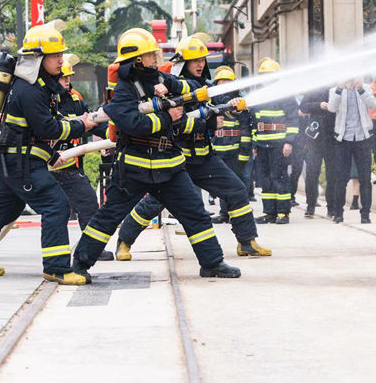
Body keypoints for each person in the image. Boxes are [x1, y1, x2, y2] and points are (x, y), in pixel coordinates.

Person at [72, 30, 240, 278]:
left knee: (195, 213)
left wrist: (171, 84)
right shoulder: (124, 90)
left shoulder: (161, 79)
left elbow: (195, 87)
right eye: (150, 54)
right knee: (108, 217)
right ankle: (80, 265)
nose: (155, 57)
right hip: (135, 169)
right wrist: (166, 117)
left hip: (170, 165)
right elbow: (131, 124)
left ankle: (212, 263)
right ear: (138, 60)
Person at [0, 21, 98, 285]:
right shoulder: (30, 88)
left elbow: (34, 130)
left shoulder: (37, 85)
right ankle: (57, 267)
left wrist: (52, 152)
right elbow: (46, 128)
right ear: (39, 57)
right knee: (56, 205)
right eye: (56, 55)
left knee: (2, 211)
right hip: (20, 163)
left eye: (61, 54)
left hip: (15, 159)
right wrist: (80, 125)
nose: (62, 60)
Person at [113, 38, 270, 259]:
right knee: (154, 203)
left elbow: (212, 108)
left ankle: (247, 241)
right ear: (183, 63)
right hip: (179, 160)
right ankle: (124, 242)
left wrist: (230, 109)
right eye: (194, 60)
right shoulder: (170, 87)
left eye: (202, 60)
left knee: (236, 190)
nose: (199, 64)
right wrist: (210, 123)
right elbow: (176, 122)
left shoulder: (203, 86)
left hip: (204, 157)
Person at [51, 54, 113, 260]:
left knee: (87, 203)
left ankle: (92, 249)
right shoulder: (46, 98)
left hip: (70, 165)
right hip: (46, 165)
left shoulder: (75, 98)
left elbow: (94, 121)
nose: (67, 81)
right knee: (9, 209)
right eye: (63, 78)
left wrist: (112, 134)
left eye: (69, 77)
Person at [252, 58, 299, 224]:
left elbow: (293, 120)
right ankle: (269, 212)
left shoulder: (284, 95)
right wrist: (254, 144)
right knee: (265, 179)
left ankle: (283, 212)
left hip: (279, 144)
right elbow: (253, 120)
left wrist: (289, 142)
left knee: (279, 177)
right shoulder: (258, 95)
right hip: (262, 144)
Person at [328, 79, 376, 223]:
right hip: (343, 138)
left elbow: (372, 105)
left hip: (363, 137)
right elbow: (332, 108)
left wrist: (360, 88)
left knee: (365, 178)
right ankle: (338, 213)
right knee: (341, 178)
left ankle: (365, 214)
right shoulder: (334, 90)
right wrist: (340, 88)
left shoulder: (365, 88)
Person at [209, 65, 253, 223]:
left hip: (234, 151)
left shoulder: (240, 103)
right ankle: (224, 213)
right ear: (216, 83)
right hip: (217, 150)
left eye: (228, 82)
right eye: (222, 82)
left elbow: (246, 128)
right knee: (222, 184)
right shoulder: (211, 100)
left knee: (236, 184)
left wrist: (244, 153)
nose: (225, 85)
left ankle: (237, 214)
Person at [299, 85, 337, 218]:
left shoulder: (337, 88)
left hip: (333, 137)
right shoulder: (314, 88)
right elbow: (303, 106)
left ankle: (331, 207)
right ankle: (310, 206)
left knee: (332, 174)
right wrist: (319, 105)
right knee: (311, 173)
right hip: (315, 137)